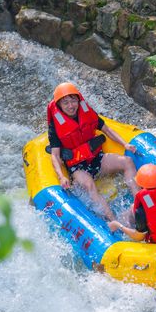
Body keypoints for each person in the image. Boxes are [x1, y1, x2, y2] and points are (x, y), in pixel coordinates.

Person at [47, 82, 139, 221]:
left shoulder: (87, 113)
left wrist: (125, 144)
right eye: (66, 103)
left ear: (78, 100)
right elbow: (55, 155)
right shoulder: (55, 126)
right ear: (59, 105)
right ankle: (114, 221)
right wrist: (62, 177)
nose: (71, 106)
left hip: (96, 158)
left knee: (127, 162)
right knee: (89, 185)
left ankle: (139, 204)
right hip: (77, 167)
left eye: (73, 100)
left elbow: (106, 130)